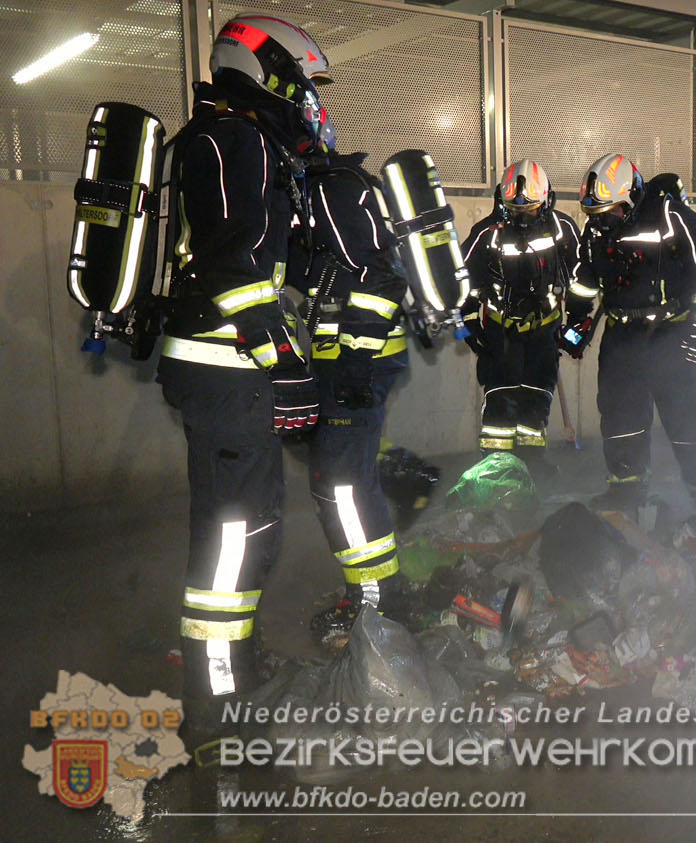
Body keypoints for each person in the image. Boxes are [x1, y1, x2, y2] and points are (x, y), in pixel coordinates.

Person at [155, 14, 329, 752]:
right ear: (263, 72)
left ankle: (230, 665)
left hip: (220, 365)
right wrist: (286, 365)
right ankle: (219, 698)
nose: (308, 99)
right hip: (229, 369)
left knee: (237, 526)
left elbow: (244, 266)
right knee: (235, 535)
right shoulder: (238, 139)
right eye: (301, 82)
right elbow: (236, 268)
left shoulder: (224, 136)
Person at [293, 116, 413, 639]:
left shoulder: (333, 190)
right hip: (341, 359)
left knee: (340, 483)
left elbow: (380, 280)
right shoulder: (312, 191)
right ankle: (375, 588)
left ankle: (376, 600)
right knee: (340, 475)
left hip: (355, 361)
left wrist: (356, 364)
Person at [563, 153, 696, 510]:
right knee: (620, 416)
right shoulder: (596, 230)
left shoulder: (673, 219)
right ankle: (626, 491)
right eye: (596, 214)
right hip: (622, 336)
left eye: (610, 212)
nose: (603, 221)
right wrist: (575, 321)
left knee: (685, 415)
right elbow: (584, 282)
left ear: (632, 198)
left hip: (671, 334)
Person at [459, 160, 581, 470]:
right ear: (503, 199)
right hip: (501, 334)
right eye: (516, 208)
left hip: (545, 332)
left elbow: (583, 278)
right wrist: (470, 328)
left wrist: (577, 328)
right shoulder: (486, 232)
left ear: (545, 199)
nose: (523, 214)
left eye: (530, 207)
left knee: (536, 403)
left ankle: (532, 466)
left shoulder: (562, 228)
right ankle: (496, 469)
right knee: (500, 404)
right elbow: (460, 282)